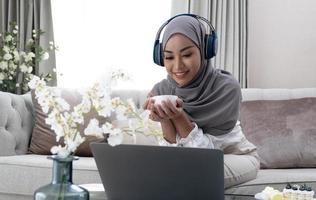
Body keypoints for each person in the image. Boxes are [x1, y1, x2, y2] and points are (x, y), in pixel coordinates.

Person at [143, 14, 259, 188]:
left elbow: (204, 156)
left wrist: (179, 117)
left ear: (205, 50)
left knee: (195, 173)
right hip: (188, 162)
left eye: (187, 54)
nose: (177, 66)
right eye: (169, 57)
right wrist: (165, 120)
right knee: (171, 170)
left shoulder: (226, 88)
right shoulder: (161, 91)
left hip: (236, 156)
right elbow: (172, 155)